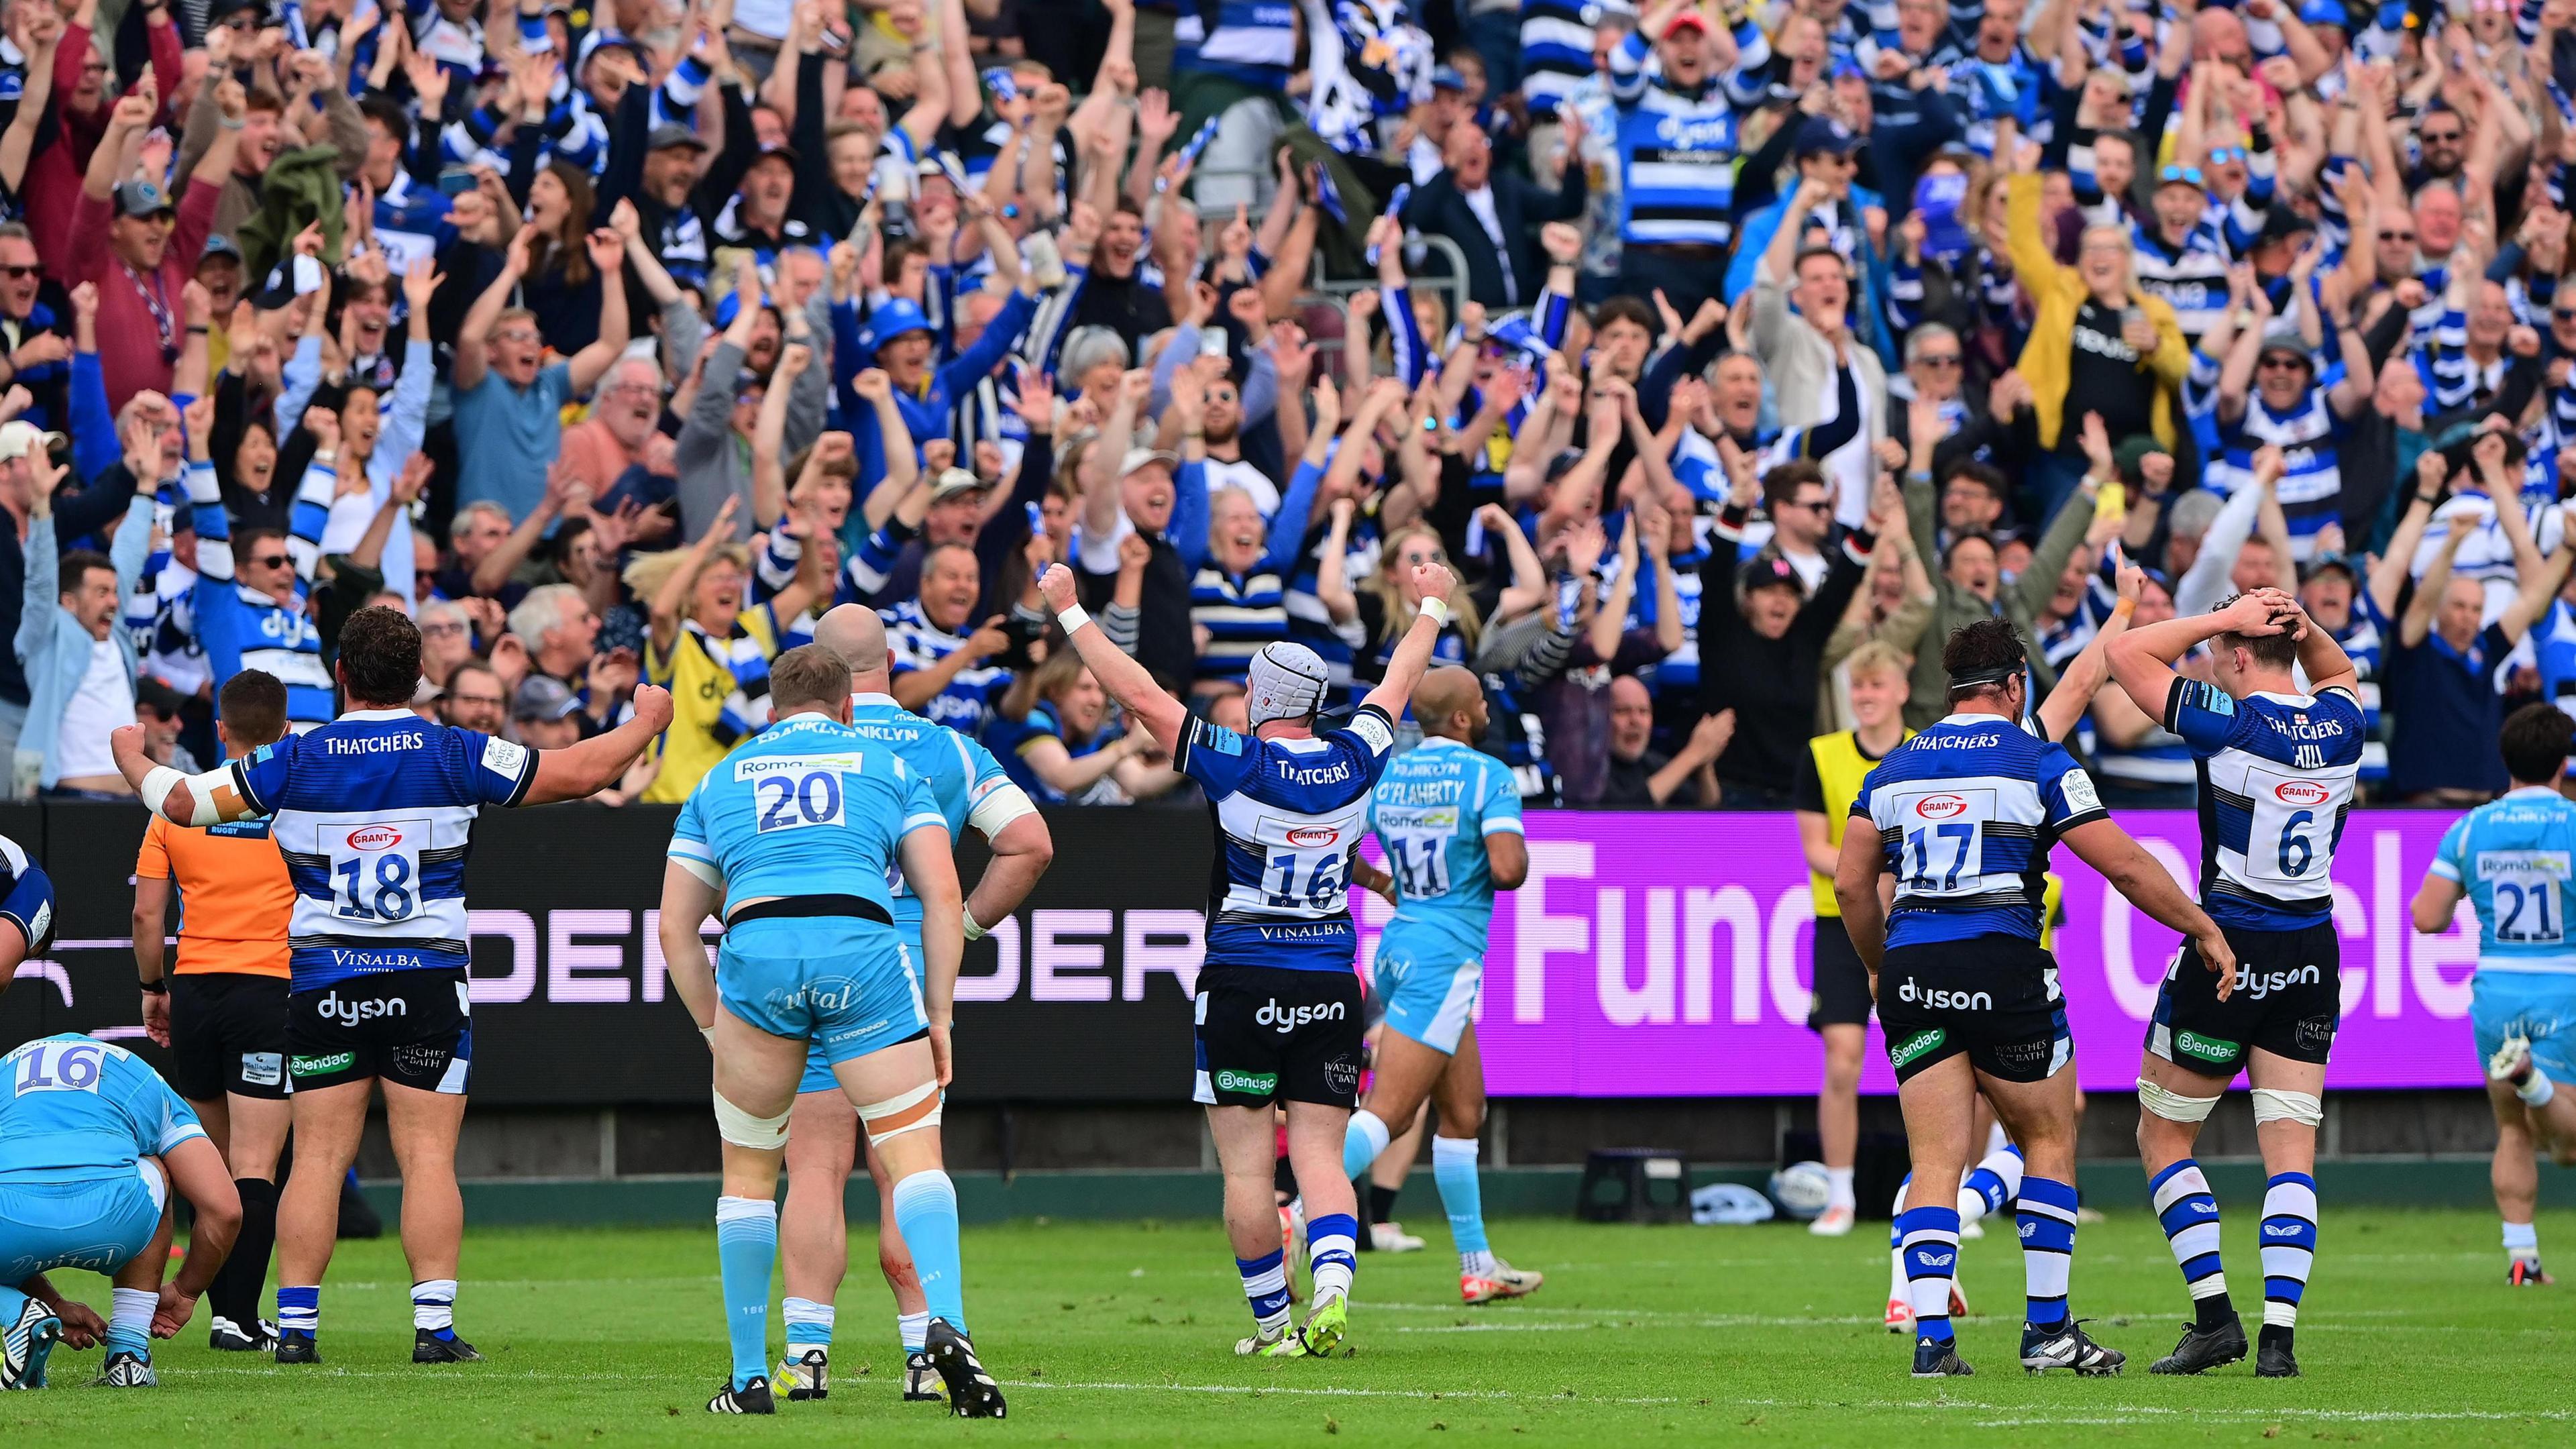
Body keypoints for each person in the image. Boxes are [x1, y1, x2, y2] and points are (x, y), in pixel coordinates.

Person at [107, 606, 675, 1366]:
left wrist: (130, 755)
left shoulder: (296, 759)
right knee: (429, 1158)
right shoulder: (452, 751)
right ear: (418, 680)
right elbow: (580, 772)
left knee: (313, 1158)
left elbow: (181, 802)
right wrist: (646, 721)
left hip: (323, 986)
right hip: (428, 981)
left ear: (340, 676)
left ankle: (298, 1330)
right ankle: (434, 1329)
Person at [1036, 551, 1453, 1358]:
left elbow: (1139, 695)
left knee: (1247, 1172)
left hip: (1240, 979)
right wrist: (1431, 606)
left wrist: (1070, 611)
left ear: (1261, 697)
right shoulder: (1359, 755)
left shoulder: (1237, 762)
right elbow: (1398, 683)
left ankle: (1271, 1326)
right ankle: (1332, 1288)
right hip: (1330, 979)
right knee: (1326, 1157)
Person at [1835, 616, 2235, 1379]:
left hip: (1915, 968)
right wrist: (2200, 925)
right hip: (2003, 964)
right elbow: (2122, 865)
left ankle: (1932, 1343)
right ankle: (2047, 1333)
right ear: (2016, 684)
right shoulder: (2039, 760)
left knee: (1935, 1160)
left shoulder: (1891, 769)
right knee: (2047, 1141)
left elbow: (1853, 885)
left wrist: (1881, 965)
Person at [655, 644, 1002, 1418]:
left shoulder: (720, 777)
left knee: (750, 1173)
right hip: (864, 951)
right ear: (848, 706)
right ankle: (949, 1326)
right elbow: (942, 898)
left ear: (773, 709)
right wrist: (938, 1016)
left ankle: (751, 1379)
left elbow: (676, 930)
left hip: (759, 954)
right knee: (912, 1153)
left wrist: (718, 1029)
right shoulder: (887, 767)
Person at [767, 606, 1053, 1407]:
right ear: (890, 661)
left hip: (807, 965)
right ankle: (925, 1355)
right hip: (899, 979)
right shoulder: (947, 749)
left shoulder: (777, 756)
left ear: (815, 670)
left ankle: (808, 1355)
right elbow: (1030, 843)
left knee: (814, 1169)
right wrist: (956, 930)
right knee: (906, 1168)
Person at [2104, 586, 2363, 1380]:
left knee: (2163, 1135)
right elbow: (2341, 667)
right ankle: (2279, 1341)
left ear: (2243, 654)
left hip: (2229, 950)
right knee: (2291, 1152)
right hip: (2311, 951)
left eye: (2222, 654)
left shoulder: (2229, 722)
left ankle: (2216, 1318)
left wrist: (2225, 616)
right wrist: (2298, 621)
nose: (2212, 664)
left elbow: (2123, 655)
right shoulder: (2344, 722)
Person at [1340, 665, 1538, 1305]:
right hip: (1445, 956)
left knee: (1462, 1112)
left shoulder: (1389, 775)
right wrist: (1495, 848)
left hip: (1398, 946)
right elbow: (1508, 870)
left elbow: (1339, 850)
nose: (1486, 707)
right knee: (1391, 1113)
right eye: (1479, 700)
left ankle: (1478, 1264)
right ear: (1461, 717)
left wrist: (1382, 883)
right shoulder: (1490, 777)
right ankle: (1289, 1201)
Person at [129, 669, 297, 1354]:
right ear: (286, 732)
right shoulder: (299, 805)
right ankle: (235, 1316)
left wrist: (154, 985)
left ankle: (192, 1298)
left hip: (196, 989)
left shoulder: (177, 803)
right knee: (259, 1163)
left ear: (219, 730)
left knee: (209, 1160)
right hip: (271, 988)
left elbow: (146, 911)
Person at [2411, 704, 2576, 1289]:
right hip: (2563, 986)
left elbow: (2426, 917)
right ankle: (2531, 1078)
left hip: (2497, 989)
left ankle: (2522, 1260)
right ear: (2564, 762)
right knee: (2568, 1144)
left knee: (2512, 1127)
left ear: (2504, 761)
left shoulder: (2472, 828)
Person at [0, 1032, 239, 1390]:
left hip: (9, 1223)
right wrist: (186, 1292)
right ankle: (129, 1351)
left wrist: (48, 1302)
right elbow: (225, 1210)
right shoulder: (141, 1076)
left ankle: (17, 1313)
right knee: (157, 1167)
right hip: (116, 1217)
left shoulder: (4, 1071)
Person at [1791, 640, 1913, 1237]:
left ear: (1901, 690)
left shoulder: (1926, 750)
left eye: (1876, 685)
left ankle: (1945, 1190)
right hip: (1840, 921)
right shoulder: (1822, 755)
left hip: (1916, 919)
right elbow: (1815, 847)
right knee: (1842, 1058)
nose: (1865, 697)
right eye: (1857, 687)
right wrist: (1874, 871)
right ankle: (1838, 1194)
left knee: (1932, 1057)